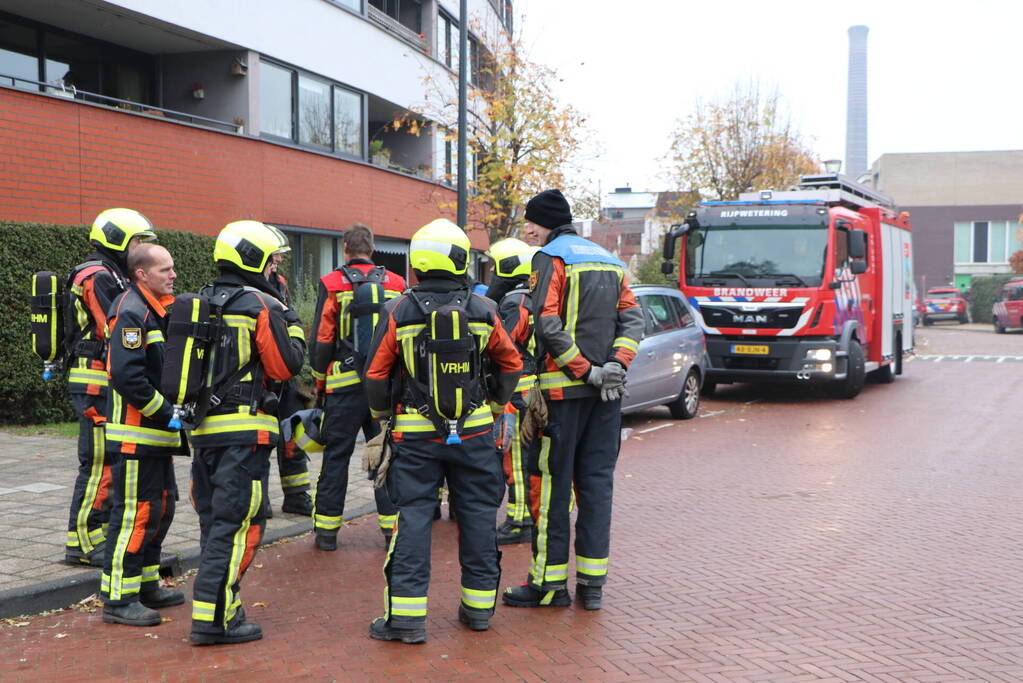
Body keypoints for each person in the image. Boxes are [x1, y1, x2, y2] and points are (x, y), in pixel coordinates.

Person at [362, 218, 522, 643]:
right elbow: (511, 366)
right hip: (473, 435)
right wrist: (491, 406)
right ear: (458, 259)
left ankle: (407, 621)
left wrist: (383, 418)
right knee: (477, 517)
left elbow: (375, 375)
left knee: (412, 518)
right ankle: (479, 611)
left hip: (415, 437)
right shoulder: (484, 310)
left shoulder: (400, 309)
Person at [502, 189, 643, 611]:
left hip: (563, 396)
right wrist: (615, 365)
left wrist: (584, 369)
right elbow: (633, 319)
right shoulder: (611, 260)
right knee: (597, 487)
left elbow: (546, 322)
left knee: (551, 491)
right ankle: (592, 586)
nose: (526, 229)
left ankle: (548, 586)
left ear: (546, 222)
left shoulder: (550, 259)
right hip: (606, 399)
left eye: (531, 222)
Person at [188, 220, 306, 645]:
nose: (276, 269)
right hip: (244, 434)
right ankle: (214, 619)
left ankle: (220, 610)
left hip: (202, 434)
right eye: (273, 261)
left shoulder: (199, 300)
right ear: (252, 259)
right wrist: (291, 325)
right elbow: (283, 367)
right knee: (238, 524)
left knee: (213, 523)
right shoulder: (258, 304)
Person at [100, 243, 187, 626]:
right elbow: (126, 375)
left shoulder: (154, 309)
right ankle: (119, 598)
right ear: (141, 274)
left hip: (153, 437)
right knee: (135, 513)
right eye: (165, 269)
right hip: (136, 434)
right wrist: (167, 414)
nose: (173, 275)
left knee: (162, 507)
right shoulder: (131, 312)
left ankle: (147, 584)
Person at [64, 208, 156, 566]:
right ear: (118, 240)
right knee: (99, 463)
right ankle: (83, 542)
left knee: (107, 461)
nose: (140, 248)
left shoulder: (110, 273)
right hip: (94, 381)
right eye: (136, 241)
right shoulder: (97, 276)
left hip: (102, 380)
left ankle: (95, 533)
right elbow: (112, 328)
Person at [307, 224, 406, 550]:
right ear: (373, 247)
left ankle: (326, 533)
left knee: (336, 458)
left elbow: (322, 340)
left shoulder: (331, 283)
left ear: (345, 248)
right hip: (385, 387)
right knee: (385, 456)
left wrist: (320, 382)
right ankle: (392, 531)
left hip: (343, 386)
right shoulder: (396, 283)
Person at [485, 237, 540, 545]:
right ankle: (528, 515)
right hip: (533, 389)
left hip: (517, 393)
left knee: (515, 459)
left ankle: (518, 522)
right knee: (530, 457)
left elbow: (502, 346)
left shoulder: (516, 303)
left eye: (495, 267)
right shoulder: (534, 297)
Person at [265, 247, 314, 517]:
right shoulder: (246, 290)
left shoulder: (279, 283)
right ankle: (258, 498)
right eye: (275, 256)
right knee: (259, 441)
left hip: (285, 372)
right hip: (259, 378)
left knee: (293, 433)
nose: (280, 260)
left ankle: (296, 496)